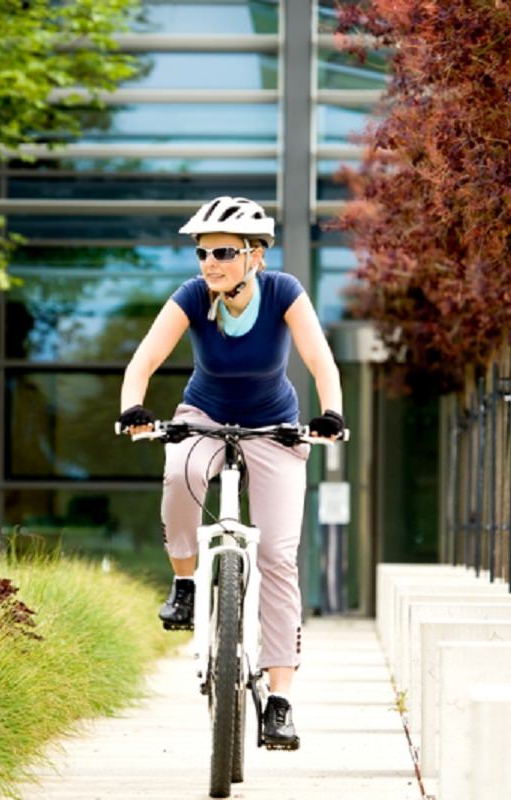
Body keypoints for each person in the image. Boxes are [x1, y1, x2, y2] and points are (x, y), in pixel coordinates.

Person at [117, 196, 345, 751]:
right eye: (202, 253)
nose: (209, 264)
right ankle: (185, 584)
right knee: (178, 476)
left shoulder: (285, 292)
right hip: (203, 415)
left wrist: (331, 414)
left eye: (222, 252)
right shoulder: (193, 296)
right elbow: (143, 360)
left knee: (278, 556)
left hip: (274, 426)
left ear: (255, 257)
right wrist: (133, 408)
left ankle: (281, 701)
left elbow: (320, 362)